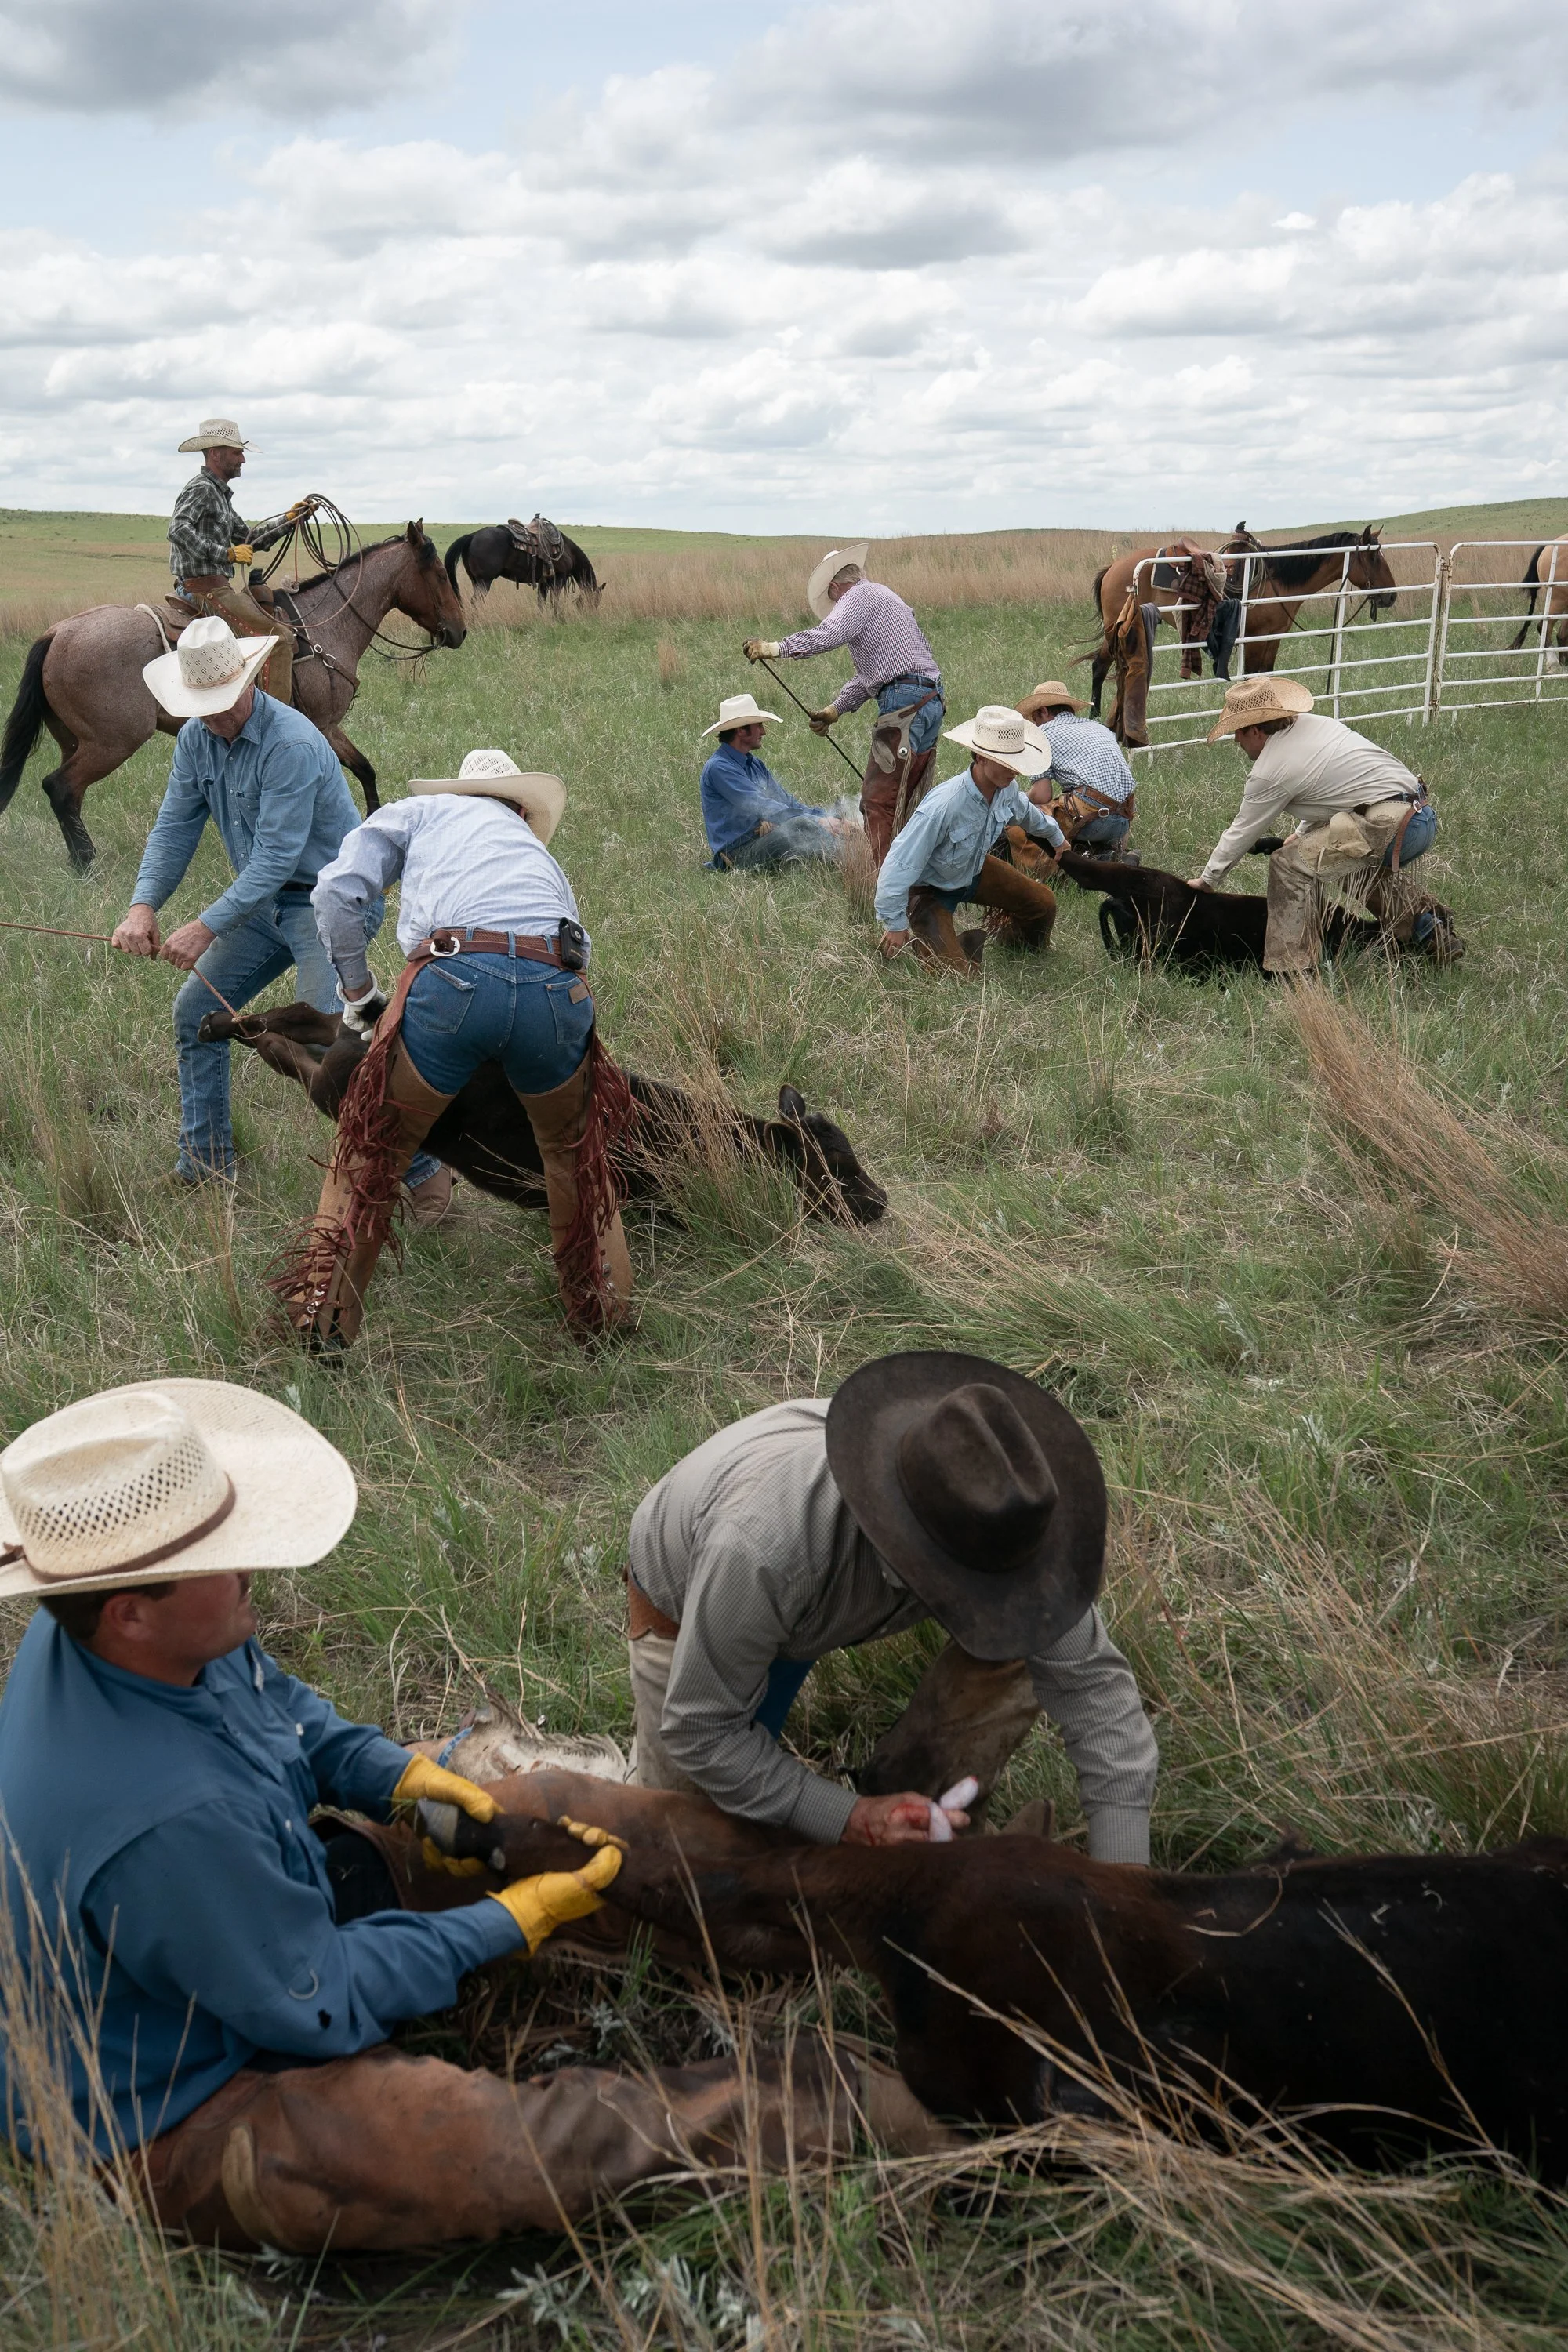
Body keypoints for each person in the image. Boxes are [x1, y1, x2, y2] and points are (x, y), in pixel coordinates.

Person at [0, 1380, 927, 2253]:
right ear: (129, 1613)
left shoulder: (119, 1627)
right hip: (176, 2105)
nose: (249, 1566)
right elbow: (318, 2002)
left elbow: (278, 1707)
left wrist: (397, 1778)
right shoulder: (163, 1816)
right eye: (219, 1560)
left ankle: (883, 1916)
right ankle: (895, 2111)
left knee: (556, 1811)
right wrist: (502, 1924)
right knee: (515, 2145)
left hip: (271, 1915)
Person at [626, 1349, 1158, 1862]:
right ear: (909, 1547)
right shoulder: (762, 1549)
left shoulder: (999, 1510)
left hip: (803, 1599)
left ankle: (921, 1807)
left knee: (1020, 1635)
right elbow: (701, 1729)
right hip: (691, 1599)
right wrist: (849, 1818)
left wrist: (1123, 1881)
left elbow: (1096, 1693)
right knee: (674, 1855)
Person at [292, 748, 632, 1350]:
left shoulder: (422, 811)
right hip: (557, 989)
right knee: (574, 1156)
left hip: (452, 976)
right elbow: (573, 953)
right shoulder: (538, 856)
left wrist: (358, 994)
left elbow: (335, 894)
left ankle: (321, 1329)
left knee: (373, 1147)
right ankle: (602, 1321)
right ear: (520, 808)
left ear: (461, 792)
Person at [110, 615, 448, 1216]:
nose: (212, 717)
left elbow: (274, 859)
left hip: (331, 907)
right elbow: (173, 828)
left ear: (251, 678)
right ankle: (206, 1165)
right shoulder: (195, 741)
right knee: (196, 1012)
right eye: (200, 706)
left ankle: (424, 1169)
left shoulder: (290, 742)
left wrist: (204, 924)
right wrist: (143, 905)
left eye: (222, 702)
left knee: (328, 1049)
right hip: (268, 907)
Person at [1189, 678, 1458, 971]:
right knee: (1342, 865)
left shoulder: (1270, 770)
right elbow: (1332, 790)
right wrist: (1300, 835)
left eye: (1238, 733)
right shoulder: (1315, 726)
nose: (1236, 741)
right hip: (1419, 817)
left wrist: (1207, 880)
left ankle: (1292, 968)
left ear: (1254, 730)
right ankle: (1429, 927)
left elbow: (1242, 830)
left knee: (1288, 866)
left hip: (1390, 826)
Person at [743, 544, 944, 866]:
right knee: (908, 798)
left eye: (833, 598)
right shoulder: (886, 597)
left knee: (879, 800)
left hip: (904, 704)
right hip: (929, 701)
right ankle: (917, 868)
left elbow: (829, 634)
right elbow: (869, 677)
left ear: (835, 588)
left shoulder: (856, 598)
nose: (836, 604)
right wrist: (835, 709)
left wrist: (774, 648)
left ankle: (883, 881)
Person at [873, 705, 1066, 977]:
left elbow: (1028, 814)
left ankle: (1017, 947)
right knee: (954, 978)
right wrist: (894, 923)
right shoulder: (944, 806)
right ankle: (949, 947)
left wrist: (1057, 839)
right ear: (980, 757)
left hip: (973, 870)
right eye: (1005, 761)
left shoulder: (1006, 789)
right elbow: (899, 863)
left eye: (1016, 760)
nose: (1015, 771)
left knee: (1043, 903)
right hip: (930, 890)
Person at [168, 417, 313, 706]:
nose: (243, 459)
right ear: (215, 454)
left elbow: (249, 538)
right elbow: (178, 529)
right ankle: (276, 722)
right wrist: (227, 554)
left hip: (217, 587)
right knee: (280, 641)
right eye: (237, 452)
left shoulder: (221, 496)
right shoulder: (202, 488)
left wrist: (288, 520)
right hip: (204, 589)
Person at [699, 693, 848, 870]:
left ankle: (843, 840)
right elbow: (762, 806)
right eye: (759, 725)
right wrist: (819, 822)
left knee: (835, 814)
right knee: (800, 826)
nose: (764, 731)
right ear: (741, 730)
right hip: (738, 855)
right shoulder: (719, 768)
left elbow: (786, 802)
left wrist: (825, 817)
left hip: (760, 841)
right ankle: (847, 857)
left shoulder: (754, 763)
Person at [1017, 681, 1138, 858]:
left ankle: (1053, 872)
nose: (1036, 726)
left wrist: (1018, 798)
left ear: (1043, 711)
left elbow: (1041, 795)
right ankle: (1105, 855)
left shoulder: (1043, 734)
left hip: (1090, 821)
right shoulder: (1100, 728)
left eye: (1035, 719)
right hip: (1123, 822)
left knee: (1026, 817)